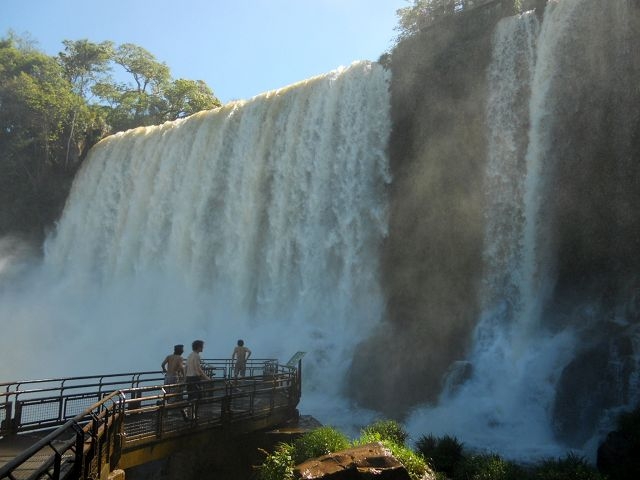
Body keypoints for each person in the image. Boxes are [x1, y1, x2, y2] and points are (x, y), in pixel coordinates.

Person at [185, 339, 211, 405]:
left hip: (188, 378)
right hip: (194, 378)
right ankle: (193, 413)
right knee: (196, 397)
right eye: (202, 346)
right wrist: (206, 378)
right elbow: (198, 368)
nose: (203, 348)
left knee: (190, 396)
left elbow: (186, 367)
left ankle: (190, 412)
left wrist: (185, 378)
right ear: (198, 347)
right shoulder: (196, 355)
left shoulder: (190, 355)